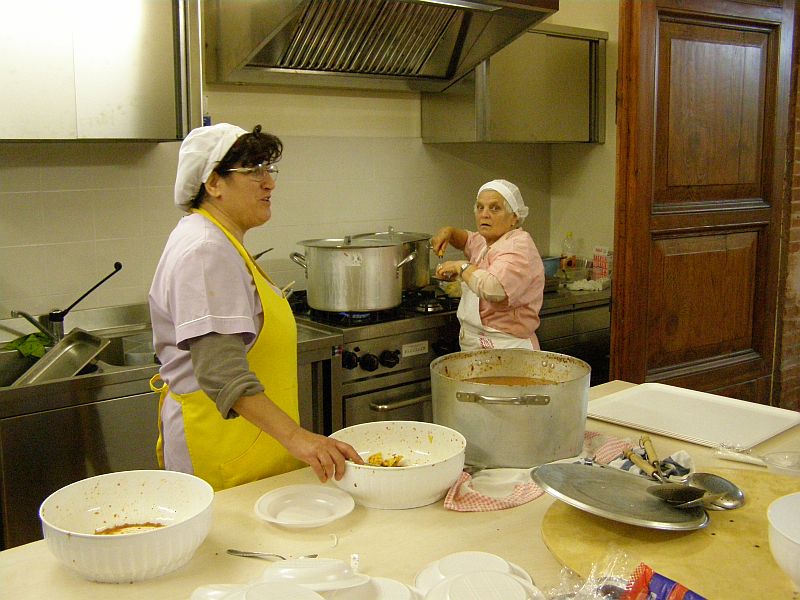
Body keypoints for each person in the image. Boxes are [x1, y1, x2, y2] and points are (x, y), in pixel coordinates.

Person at [149, 123, 362, 491]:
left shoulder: (219, 240)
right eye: (253, 172)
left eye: (268, 170)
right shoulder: (206, 250)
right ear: (213, 183)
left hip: (245, 446)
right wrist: (299, 438)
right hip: (220, 451)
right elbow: (221, 372)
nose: (269, 183)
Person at [431, 179, 545, 351]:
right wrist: (449, 232)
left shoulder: (518, 246)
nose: (484, 214)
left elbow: (494, 288)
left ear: (514, 217)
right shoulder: (490, 241)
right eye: (480, 207)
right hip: (479, 346)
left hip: (508, 349)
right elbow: (468, 240)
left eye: (495, 208)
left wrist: (461, 268)